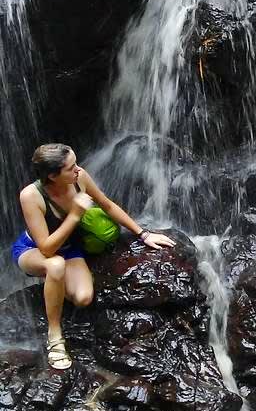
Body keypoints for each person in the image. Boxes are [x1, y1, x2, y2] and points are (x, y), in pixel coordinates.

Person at [13, 143, 176, 370]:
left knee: (83, 298)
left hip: (70, 248)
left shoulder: (80, 178)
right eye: (71, 168)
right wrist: (76, 213)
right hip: (34, 250)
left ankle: (54, 284)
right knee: (55, 264)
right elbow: (47, 249)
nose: (78, 170)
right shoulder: (31, 195)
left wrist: (143, 234)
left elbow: (107, 205)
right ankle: (55, 336)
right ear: (52, 175)